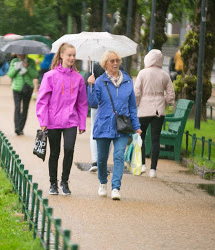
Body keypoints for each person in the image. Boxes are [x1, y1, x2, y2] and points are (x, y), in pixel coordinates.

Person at [87, 51, 141, 200]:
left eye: (117, 60)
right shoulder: (99, 81)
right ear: (105, 64)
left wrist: (136, 126)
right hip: (104, 124)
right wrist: (90, 86)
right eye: (112, 61)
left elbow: (132, 107)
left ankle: (116, 188)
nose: (116, 63)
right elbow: (93, 103)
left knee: (118, 156)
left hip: (122, 126)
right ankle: (103, 182)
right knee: (102, 159)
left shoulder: (128, 81)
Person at [36, 43, 88, 196]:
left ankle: (64, 182)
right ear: (61, 56)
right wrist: (43, 121)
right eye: (69, 55)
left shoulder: (79, 79)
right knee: (55, 152)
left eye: (74, 55)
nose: (72, 58)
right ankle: (53, 183)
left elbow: (82, 103)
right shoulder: (50, 76)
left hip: (71, 121)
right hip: (53, 121)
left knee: (69, 149)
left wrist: (82, 122)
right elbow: (42, 100)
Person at [134, 49, 175, 178]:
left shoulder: (142, 73)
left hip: (144, 108)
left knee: (141, 136)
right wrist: (165, 102)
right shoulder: (164, 74)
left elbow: (136, 92)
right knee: (155, 139)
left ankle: (143, 165)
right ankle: (153, 170)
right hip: (159, 110)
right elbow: (171, 94)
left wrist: (138, 103)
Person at [8, 54, 38, 135]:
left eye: (21, 53)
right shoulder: (14, 61)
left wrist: (27, 67)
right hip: (17, 88)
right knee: (17, 107)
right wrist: (16, 67)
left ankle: (21, 128)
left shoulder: (31, 62)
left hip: (28, 88)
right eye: (18, 53)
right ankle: (17, 127)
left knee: (25, 108)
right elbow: (10, 74)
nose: (19, 55)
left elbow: (35, 75)